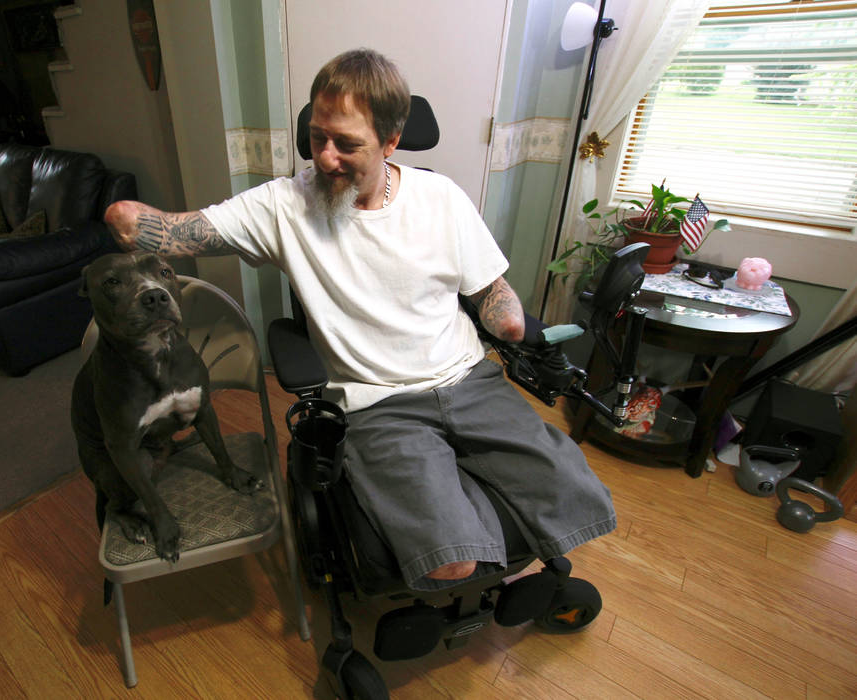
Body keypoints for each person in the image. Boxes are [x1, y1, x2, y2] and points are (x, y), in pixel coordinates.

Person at [105, 48, 615, 591]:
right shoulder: (284, 206)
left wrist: (512, 323)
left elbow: (489, 287)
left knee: (575, 495)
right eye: (318, 137)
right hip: (380, 403)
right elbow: (180, 231)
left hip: (469, 379)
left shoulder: (441, 197)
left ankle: (475, 555)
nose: (325, 158)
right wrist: (131, 220)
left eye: (347, 144)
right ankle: (473, 575)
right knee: (451, 562)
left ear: (392, 140)